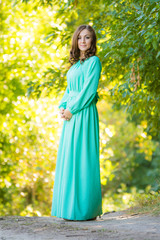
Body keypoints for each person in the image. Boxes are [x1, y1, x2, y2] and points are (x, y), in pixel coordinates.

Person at [51, 24, 102, 221]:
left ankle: (85, 210)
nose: (83, 41)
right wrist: (62, 107)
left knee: (83, 159)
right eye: (80, 37)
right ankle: (68, 208)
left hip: (84, 113)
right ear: (76, 40)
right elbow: (68, 90)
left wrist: (73, 109)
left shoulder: (94, 62)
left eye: (87, 37)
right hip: (70, 115)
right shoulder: (74, 66)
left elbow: (89, 91)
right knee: (69, 158)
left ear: (92, 41)